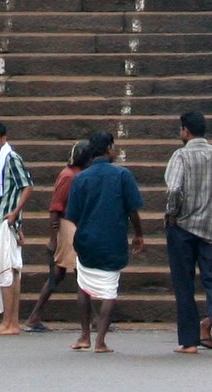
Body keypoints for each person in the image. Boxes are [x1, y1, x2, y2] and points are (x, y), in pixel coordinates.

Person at [164, 110, 212, 356]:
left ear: (185, 130)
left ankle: (189, 342)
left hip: (183, 227)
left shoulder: (181, 156)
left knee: (184, 283)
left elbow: (174, 189)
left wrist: (172, 212)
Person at [64, 131, 145, 353]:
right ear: (109, 149)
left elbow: (72, 215)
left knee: (84, 286)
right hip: (113, 239)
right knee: (109, 290)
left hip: (86, 239)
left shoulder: (80, 178)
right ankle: (100, 341)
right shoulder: (122, 175)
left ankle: (84, 336)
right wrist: (138, 234)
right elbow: (133, 210)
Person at [23, 139, 90, 332]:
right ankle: (92, 319)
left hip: (71, 226)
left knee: (62, 273)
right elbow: (55, 207)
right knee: (77, 273)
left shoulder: (76, 174)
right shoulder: (69, 176)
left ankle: (35, 316)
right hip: (68, 226)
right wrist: (53, 239)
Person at [0, 120, 34, 335]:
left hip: (5, 222)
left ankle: (9, 323)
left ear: (4, 139)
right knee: (10, 271)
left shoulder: (10, 158)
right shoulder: (0, 160)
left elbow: (27, 187)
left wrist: (14, 214)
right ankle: (11, 322)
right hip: (4, 222)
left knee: (6, 272)